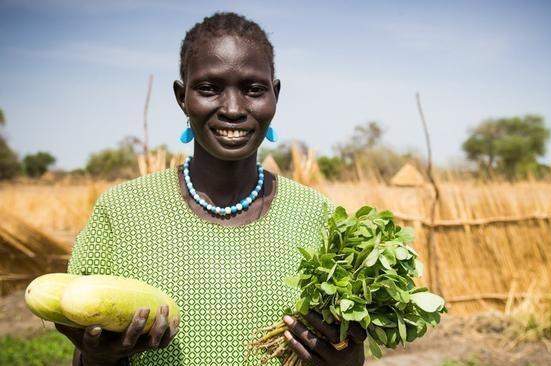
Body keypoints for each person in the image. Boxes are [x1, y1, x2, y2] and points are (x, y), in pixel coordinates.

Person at [54, 11, 366, 366]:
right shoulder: (123, 211)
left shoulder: (317, 216)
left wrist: (348, 358)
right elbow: (83, 353)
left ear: (275, 96)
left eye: (253, 89)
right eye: (209, 88)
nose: (233, 109)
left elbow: (347, 352)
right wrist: (101, 358)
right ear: (182, 97)